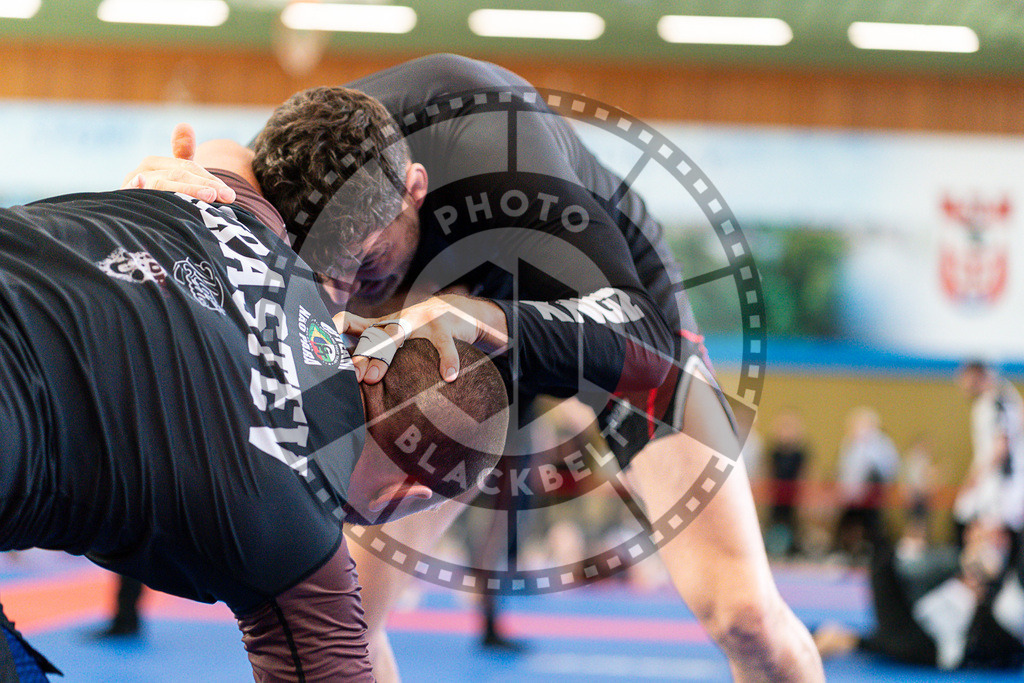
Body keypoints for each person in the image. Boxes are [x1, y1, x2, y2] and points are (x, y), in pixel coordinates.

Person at [126, 53, 824, 681]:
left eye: (367, 266)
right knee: (346, 615)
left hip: (599, 303)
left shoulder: (507, 159)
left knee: (742, 614)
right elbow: (227, 164)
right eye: (326, 276)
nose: (344, 295)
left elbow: (645, 347)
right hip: (445, 339)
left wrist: (491, 319)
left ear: (415, 189)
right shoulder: (291, 168)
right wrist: (194, 187)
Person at [0, 150, 509, 680]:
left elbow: (232, 154)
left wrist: (184, 164)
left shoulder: (257, 227)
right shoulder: (303, 541)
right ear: (406, 495)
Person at [814, 521, 1024, 670]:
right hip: (921, 631)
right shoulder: (959, 563)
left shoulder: (994, 567)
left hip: (930, 645)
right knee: (837, 636)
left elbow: (989, 576)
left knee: (882, 565)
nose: (974, 533)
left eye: (981, 530)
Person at [954, 361, 1024, 546]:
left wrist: (975, 477)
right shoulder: (1005, 395)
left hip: (1001, 482)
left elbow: (1002, 445)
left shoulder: (996, 400)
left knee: (983, 530)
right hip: (1002, 481)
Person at [834, 407, 899, 558]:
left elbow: (889, 468)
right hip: (852, 495)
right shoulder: (849, 443)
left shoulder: (881, 444)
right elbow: (845, 469)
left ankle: (878, 554)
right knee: (847, 523)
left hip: (873, 496)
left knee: (873, 526)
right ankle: (845, 551)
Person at [764, 410, 808, 557]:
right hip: (776, 496)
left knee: (793, 523)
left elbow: (805, 474)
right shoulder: (774, 451)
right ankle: (772, 547)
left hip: (794, 497)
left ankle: (793, 548)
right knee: (774, 520)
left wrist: (803, 496)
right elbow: (767, 471)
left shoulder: (800, 453)